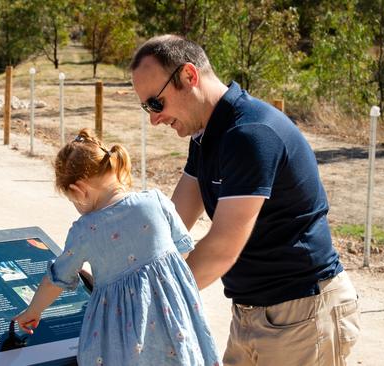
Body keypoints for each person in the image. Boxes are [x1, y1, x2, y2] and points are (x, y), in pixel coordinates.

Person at [130, 34, 360, 366]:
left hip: (302, 315)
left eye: (156, 103)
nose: (153, 118)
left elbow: (222, 246)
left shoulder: (249, 134)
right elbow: (172, 221)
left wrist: (148, 301)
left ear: (188, 77)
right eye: (146, 107)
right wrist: (119, 268)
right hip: (252, 314)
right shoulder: (207, 135)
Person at [13, 129, 220, 365]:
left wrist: (33, 312)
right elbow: (182, 249)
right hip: (175, 323)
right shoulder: (156, 200)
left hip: (125, 338)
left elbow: (56, 279)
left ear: (78, 191)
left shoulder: (85, 230)